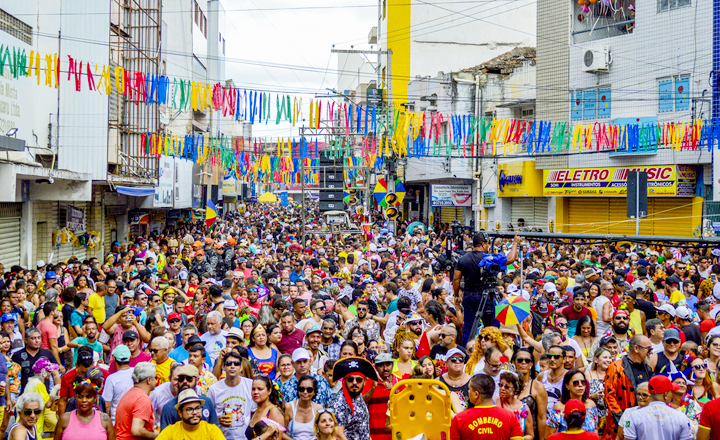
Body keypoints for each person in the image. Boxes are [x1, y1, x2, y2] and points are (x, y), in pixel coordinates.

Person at [454, 232, 522, 344]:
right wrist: (515, 243)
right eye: (487, 244)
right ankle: (492, 350)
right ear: (483, 244)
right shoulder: (489, 258)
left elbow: (456, 279)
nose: (488, 247)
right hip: (486, 297)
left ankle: (467, 351)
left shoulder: (463, 259)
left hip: (469, 296)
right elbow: (510, 258)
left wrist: (456, 295)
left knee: (468, 328)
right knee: (492, 329)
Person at [602, 335, 653, 440]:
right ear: (636, 348)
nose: (651, 352)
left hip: (645, 424)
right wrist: (622, 420)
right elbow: (610, 396)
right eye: (648, 349)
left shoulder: (648, 369)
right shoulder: (616, 367)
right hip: (620, 425)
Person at [450, 374, 524, 440]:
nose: (468, 392)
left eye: (469, 389)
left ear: (476, 394)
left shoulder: (460, 419)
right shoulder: (510, 417)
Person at [624, 375, 693, 440]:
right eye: (671, 392)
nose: (671, 394)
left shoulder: (635, 415)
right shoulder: (680, 416)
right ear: (666, 394)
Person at [207, 351, 256, 440]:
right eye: (229, 363)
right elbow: (207, 415)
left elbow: (255, 413)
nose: (232, 366)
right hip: (221, 437)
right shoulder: (214, 389)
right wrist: (217, 419)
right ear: (223, 367)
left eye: (236, 364)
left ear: (241, 368)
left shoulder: (250, 385)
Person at [329, 357, 377, 440]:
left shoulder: (357, 395)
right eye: (350, 379)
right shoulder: (340, 402)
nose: (354, 383)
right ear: (345, 381)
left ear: (365, 381)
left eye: (358, 380)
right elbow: (338, 434)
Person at [159, 364, 218, 429]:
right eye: (181, 379)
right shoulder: (169, 407)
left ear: (197, 380)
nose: (184, 382)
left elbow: (214, 429)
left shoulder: (207, 402)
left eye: (189, 379)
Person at [155, 389, 225, 440]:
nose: (195, 412)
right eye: (189, 409)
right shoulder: (171, 431)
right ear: (180, 413)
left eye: (197, 408)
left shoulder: (211, 430)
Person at [114, 362, 158, 440]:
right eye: (156, 377)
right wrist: (156, 435)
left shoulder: (128, 394)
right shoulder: (142, 399)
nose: (156, 380)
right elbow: (137, 430)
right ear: (149, 380)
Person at [547, 370, 598, 435]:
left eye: (583, 382)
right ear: (567, 385)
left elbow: (595, 429)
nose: (580, 385)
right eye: (576, 383)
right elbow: (549, 434)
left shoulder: (591, 404)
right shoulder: (559, 407)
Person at [12, 327, 59, 393]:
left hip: (44, 393)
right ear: (26, 340)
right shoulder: (17, 355)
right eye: (33, 338)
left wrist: (58, 390)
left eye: (39, 338)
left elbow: (55, 374)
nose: (37, 341)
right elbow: (13, 376)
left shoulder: (48, 353)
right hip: (24, 394)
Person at [101, 345, 135, 423]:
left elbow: (107, 405)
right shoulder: (136, 372)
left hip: (117, 421)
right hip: (134, 420)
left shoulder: (111, 379)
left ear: (114, 359)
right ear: (130, 357)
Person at [283, 375, 323, 440]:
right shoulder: (289, 407)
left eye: (309, 390)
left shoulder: (318, 409)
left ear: (314, 392)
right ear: (298, 390)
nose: (305, 392)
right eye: (302, 389)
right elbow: (280, 431)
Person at [497, 371, 534, 440]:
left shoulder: (524, 408)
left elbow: (530, 435)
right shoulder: (493, 404)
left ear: (516, 390)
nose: (502, 388)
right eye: (501, 385)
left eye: (507, 387)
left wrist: (518, 438)